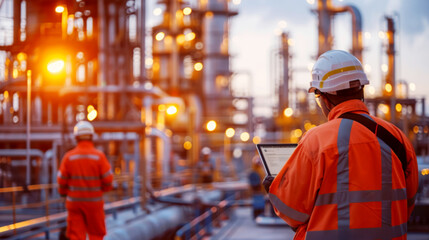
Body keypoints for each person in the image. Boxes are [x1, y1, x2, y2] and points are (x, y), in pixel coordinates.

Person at [263, 50, 419, 239]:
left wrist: (277, 189)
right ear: (361, 90)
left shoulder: (316, 140)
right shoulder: (398, 138)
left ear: (324, 98)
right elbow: (407, 202)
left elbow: (292, 211)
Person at [57, 121, 113, 240]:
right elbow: (108, 180)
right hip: (94, 203)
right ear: (91, 137)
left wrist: (63, 193)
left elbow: (61, 180)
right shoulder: (99, 156)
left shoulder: (69, 157)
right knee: (96, 234)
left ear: (76, 137)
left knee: (76, 235)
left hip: (74, 203)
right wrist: (104, 189)